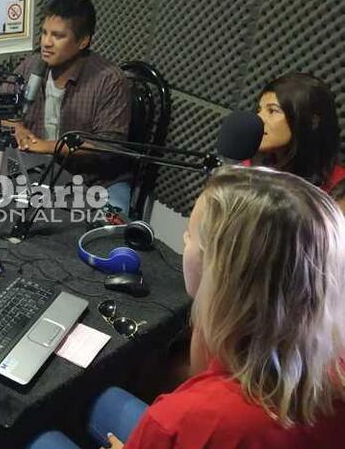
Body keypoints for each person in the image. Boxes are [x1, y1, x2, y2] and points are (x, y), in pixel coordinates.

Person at [29, 166, 345, 448]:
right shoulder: (334, 372)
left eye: (190, 235)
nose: (184, 240)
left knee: (39, 439)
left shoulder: (180, 419)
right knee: (103, 399)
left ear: (220, 270)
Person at [0, 0, 132, 213]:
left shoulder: (110, 81)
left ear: (83, 41)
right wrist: (17, 127)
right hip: (44, 171)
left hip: (96, 183)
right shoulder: (33, 64)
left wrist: (48, 146)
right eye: (44, 33)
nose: (46, 43)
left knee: (107, 237)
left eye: (58, 36)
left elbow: (108, 146)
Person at [251, 72, 344, 193]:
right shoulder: (248, 165)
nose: (258, 119)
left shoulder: (338, 186)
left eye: (273, 111)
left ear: (312, 121)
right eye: (259, 110)